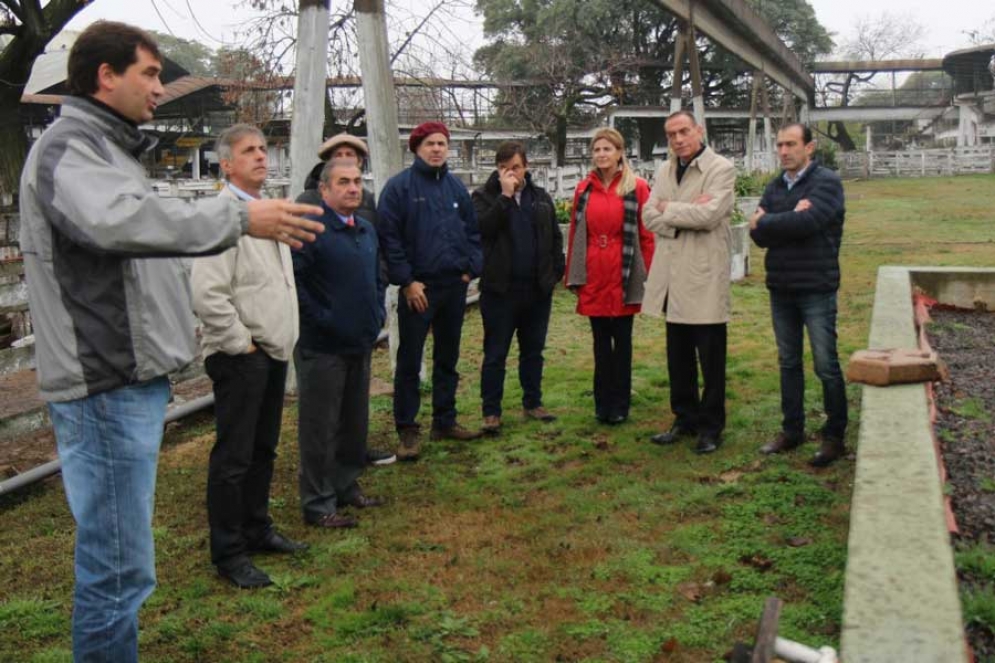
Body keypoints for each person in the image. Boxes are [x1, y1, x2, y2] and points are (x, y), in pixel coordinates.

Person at [18, 21, 322, 662]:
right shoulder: (71, 149)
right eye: (150, 74)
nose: (160, 88)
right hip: (103, 383)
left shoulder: (107, 151)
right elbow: (123, 223)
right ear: (106, 75)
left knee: (124, 565)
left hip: (126, 379)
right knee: (119, 568)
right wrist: (238, 216)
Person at [191, 124, 308, 589]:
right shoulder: (221, 215)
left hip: (273, 349)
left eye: (264, 149)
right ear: (226, 163)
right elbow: (208, 294)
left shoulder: (265, 211)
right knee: (234, 456)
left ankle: (257, 528)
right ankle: (228, 550)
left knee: (263, 448)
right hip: (241, 354)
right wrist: (242, 343)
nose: (261, 156)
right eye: (249, 151)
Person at [378, 121, 484, 460]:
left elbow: (472, 232)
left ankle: (445, 419)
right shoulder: (399, 189)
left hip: (453, 287)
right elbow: (389, 239)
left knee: (447, 357)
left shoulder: (455, 188)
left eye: (441, 143)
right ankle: (407, 429)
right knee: (409, 361)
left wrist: (471, 269)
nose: (437, 149)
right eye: (429, 144)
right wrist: (407, 281)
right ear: (416, 149)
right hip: (418, 290)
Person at [293, 158, 387, 528]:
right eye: (344, 182)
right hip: (322, 346)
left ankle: (346, 484)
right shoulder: (311, 230)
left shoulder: (364, 229)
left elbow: (376, 276)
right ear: (325, 190)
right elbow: (299, 286)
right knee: (320, 425)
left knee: (353, 421)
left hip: (359, 340)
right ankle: (317, 502)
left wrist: (377, 310)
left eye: (357, 181)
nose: (353, 188)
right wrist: (324, 319)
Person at [749, 123, 848, 467]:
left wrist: (770, 221)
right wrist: (789, 217)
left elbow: (810, 223)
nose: (783, 151)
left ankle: (835, 436)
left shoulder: (827, 183)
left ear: (809, 147)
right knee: (788, 362)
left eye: (791, 144)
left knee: (826, 365)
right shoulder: (775, 185)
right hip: (781, 288)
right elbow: (757, 236)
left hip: (816, 288)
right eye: (779, 145)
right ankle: (792, 431)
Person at [643, 110, 736, 455]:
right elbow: (648, 215)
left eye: (683, 131)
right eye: (671, 135)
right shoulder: (665, 170)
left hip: (703, 276)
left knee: (710, 360)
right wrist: (681, 213)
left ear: (699, 130)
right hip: (672, 278)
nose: (678, 139)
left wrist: (670, 209)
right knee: (678, 356)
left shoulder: (720, 169)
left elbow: (710, 215)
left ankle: (711, 427)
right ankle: (684, 418)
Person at [472, 141, 565, 434]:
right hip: (500, 290)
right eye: (503, 168)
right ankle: (491, 412)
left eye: (515, 167)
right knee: (496, 353)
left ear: (525, 167)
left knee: (533, 350)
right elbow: (482, 229)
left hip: (537, 290)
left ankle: (532, 403)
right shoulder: (484, 197)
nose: (509, 173)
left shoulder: (540, 197)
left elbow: (554, 237)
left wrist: (555, 274)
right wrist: (504, 197)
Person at [565, 128, 654, 425]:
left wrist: (648, 273)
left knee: (623, 341)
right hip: (594, 270)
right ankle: (602, 403)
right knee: (600, 343)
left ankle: (621, 403)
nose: (601, 154)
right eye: (597, 150)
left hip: (624, 270)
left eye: (607, 149)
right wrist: (575, 273)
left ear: (619, 152)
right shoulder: (584, 189)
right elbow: (577, 234)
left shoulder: (636, 187)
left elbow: (647, 235)